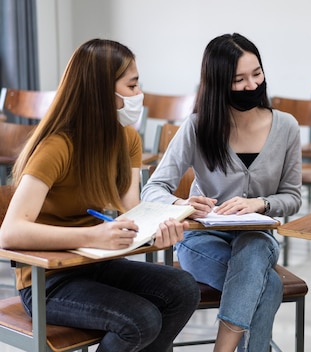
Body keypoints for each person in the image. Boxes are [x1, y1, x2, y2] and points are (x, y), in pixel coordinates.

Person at [0, 39, 200, 351]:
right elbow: (10, 233)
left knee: (183, 288)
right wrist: (93, 236)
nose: (139, 95)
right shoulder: (57, 147)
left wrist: (164, 223)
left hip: (96, 264)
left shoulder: (128, 139)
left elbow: (131, 210)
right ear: (102, 91)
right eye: (132, 85)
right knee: (141, 319)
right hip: (48, 280)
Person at [141, 33, 302, 352]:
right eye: (239, 79)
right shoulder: (199, 127)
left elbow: (293, 198)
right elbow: (153, 189)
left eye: (257, 73)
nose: (252, 85)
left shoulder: (286, 127)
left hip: (258, 237)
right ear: (217, 84)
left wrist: (261, 203)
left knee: (255, 247)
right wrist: (181, 203)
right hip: (200, 240)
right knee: (266, 284)